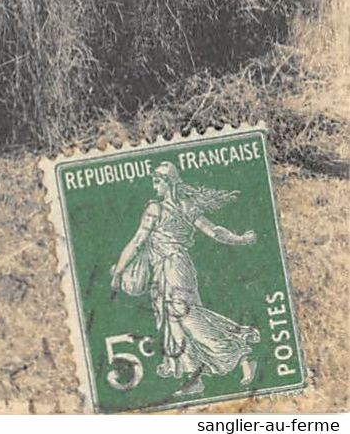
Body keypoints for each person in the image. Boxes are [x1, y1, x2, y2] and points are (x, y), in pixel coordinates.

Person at [110, 163, 261, 395]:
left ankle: (238, 350)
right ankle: (194, 378)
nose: (154, 186)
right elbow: (215, 231)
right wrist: (240, 239)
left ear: (169, 182)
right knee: (175, 320)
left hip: (174, 267)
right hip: (166, 269)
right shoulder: (183, 207)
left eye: (157, 181)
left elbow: (137, 241)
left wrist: (119, 271)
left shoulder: (157, 209)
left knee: (185, 316)